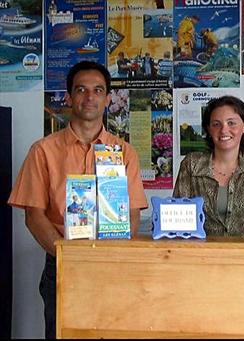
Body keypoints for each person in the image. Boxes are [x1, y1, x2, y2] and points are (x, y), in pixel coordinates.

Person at [8, 61, 148, 339]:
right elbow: (34, 216)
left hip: (111, 264)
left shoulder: (124, 152)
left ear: (108, 99)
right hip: (62, 265)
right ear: (69, 97)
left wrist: (109, 256)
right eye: (81, 90)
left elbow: (132, 213)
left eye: (98, 90)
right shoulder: (43, 151)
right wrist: (67, 255)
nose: (89, 97)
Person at [173, 95, 244, 237]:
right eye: (216, 124)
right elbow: (178, 220)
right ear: (208, 130)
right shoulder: (191, 164)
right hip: (200, 255)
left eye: (231, 123)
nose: (224, 130)